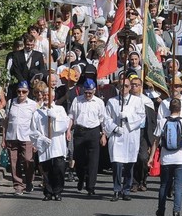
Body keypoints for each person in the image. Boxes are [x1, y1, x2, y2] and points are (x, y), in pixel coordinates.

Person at [150, 98, 182, 216]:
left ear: (169, 109)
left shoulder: (162, 122)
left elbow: (156, 141)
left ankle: (161, 210)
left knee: (164, 185)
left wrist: (151, 158)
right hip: (180, 159)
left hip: (166, 159)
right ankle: (176, 212)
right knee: (178, 186)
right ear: (180, 109)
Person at [104, 74, 146, 202]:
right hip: (117, 136)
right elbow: (106, 118)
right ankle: (116, 189)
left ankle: (126, 189)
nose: (124, 88)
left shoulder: (137, 101)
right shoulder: (112, 101)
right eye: (121, 86)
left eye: (126, 86)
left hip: (131, 135)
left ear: (130, 87)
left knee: (129, 164)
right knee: (117, 164)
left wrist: (128, 117)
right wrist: (114, 128)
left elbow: (141, 117)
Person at [29, 81, 69, 201]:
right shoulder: (37, 113)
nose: (47, 97)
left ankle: (58, 191)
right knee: (46, 169)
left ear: (53, 97)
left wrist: (55, 117)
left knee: (58, 168)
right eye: (45, 95)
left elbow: (65, 124)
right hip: (45, 144)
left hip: (57, 144)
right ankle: (48, 192)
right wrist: (42, 139)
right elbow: (33, 131)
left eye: (49, 95)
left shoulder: (60, 109)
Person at [67, 78, 106, 196]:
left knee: (93, 161)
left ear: (94, 91)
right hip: (80, 131)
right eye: (86, 92)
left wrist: (104, 135)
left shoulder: (99, 102)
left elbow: (103, 120)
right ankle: (81, 178)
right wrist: (68, 130)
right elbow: (71, 116)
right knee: (79, 159)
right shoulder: (77, 100)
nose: (88, 95)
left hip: (94, 131)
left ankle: (91, 186)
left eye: (90, 93)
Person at [2, 80, 38, 194]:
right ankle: (18, 185)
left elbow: (36, 123)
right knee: (14, 162)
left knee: (28, 159)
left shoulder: (33, 104)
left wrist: (36, 141)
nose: (21, 94)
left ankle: (29, 180)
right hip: (12, 136)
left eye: (24, 91)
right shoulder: (11, 103)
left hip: (27, 137)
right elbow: (6, 121)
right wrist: (3, 138)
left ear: (28, 92)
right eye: (19, 91)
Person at [131, 75, 157, 192]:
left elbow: (152, 120)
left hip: (143, 132)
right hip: (131, 131)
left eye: (137, 85)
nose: (134, 87)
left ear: (141, 86)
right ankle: (134, 182)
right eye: (133, 85)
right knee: (132, 158)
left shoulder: (147, 101)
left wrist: (152, 137)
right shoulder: (127, 100)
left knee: (143, 157)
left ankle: (143, 179)